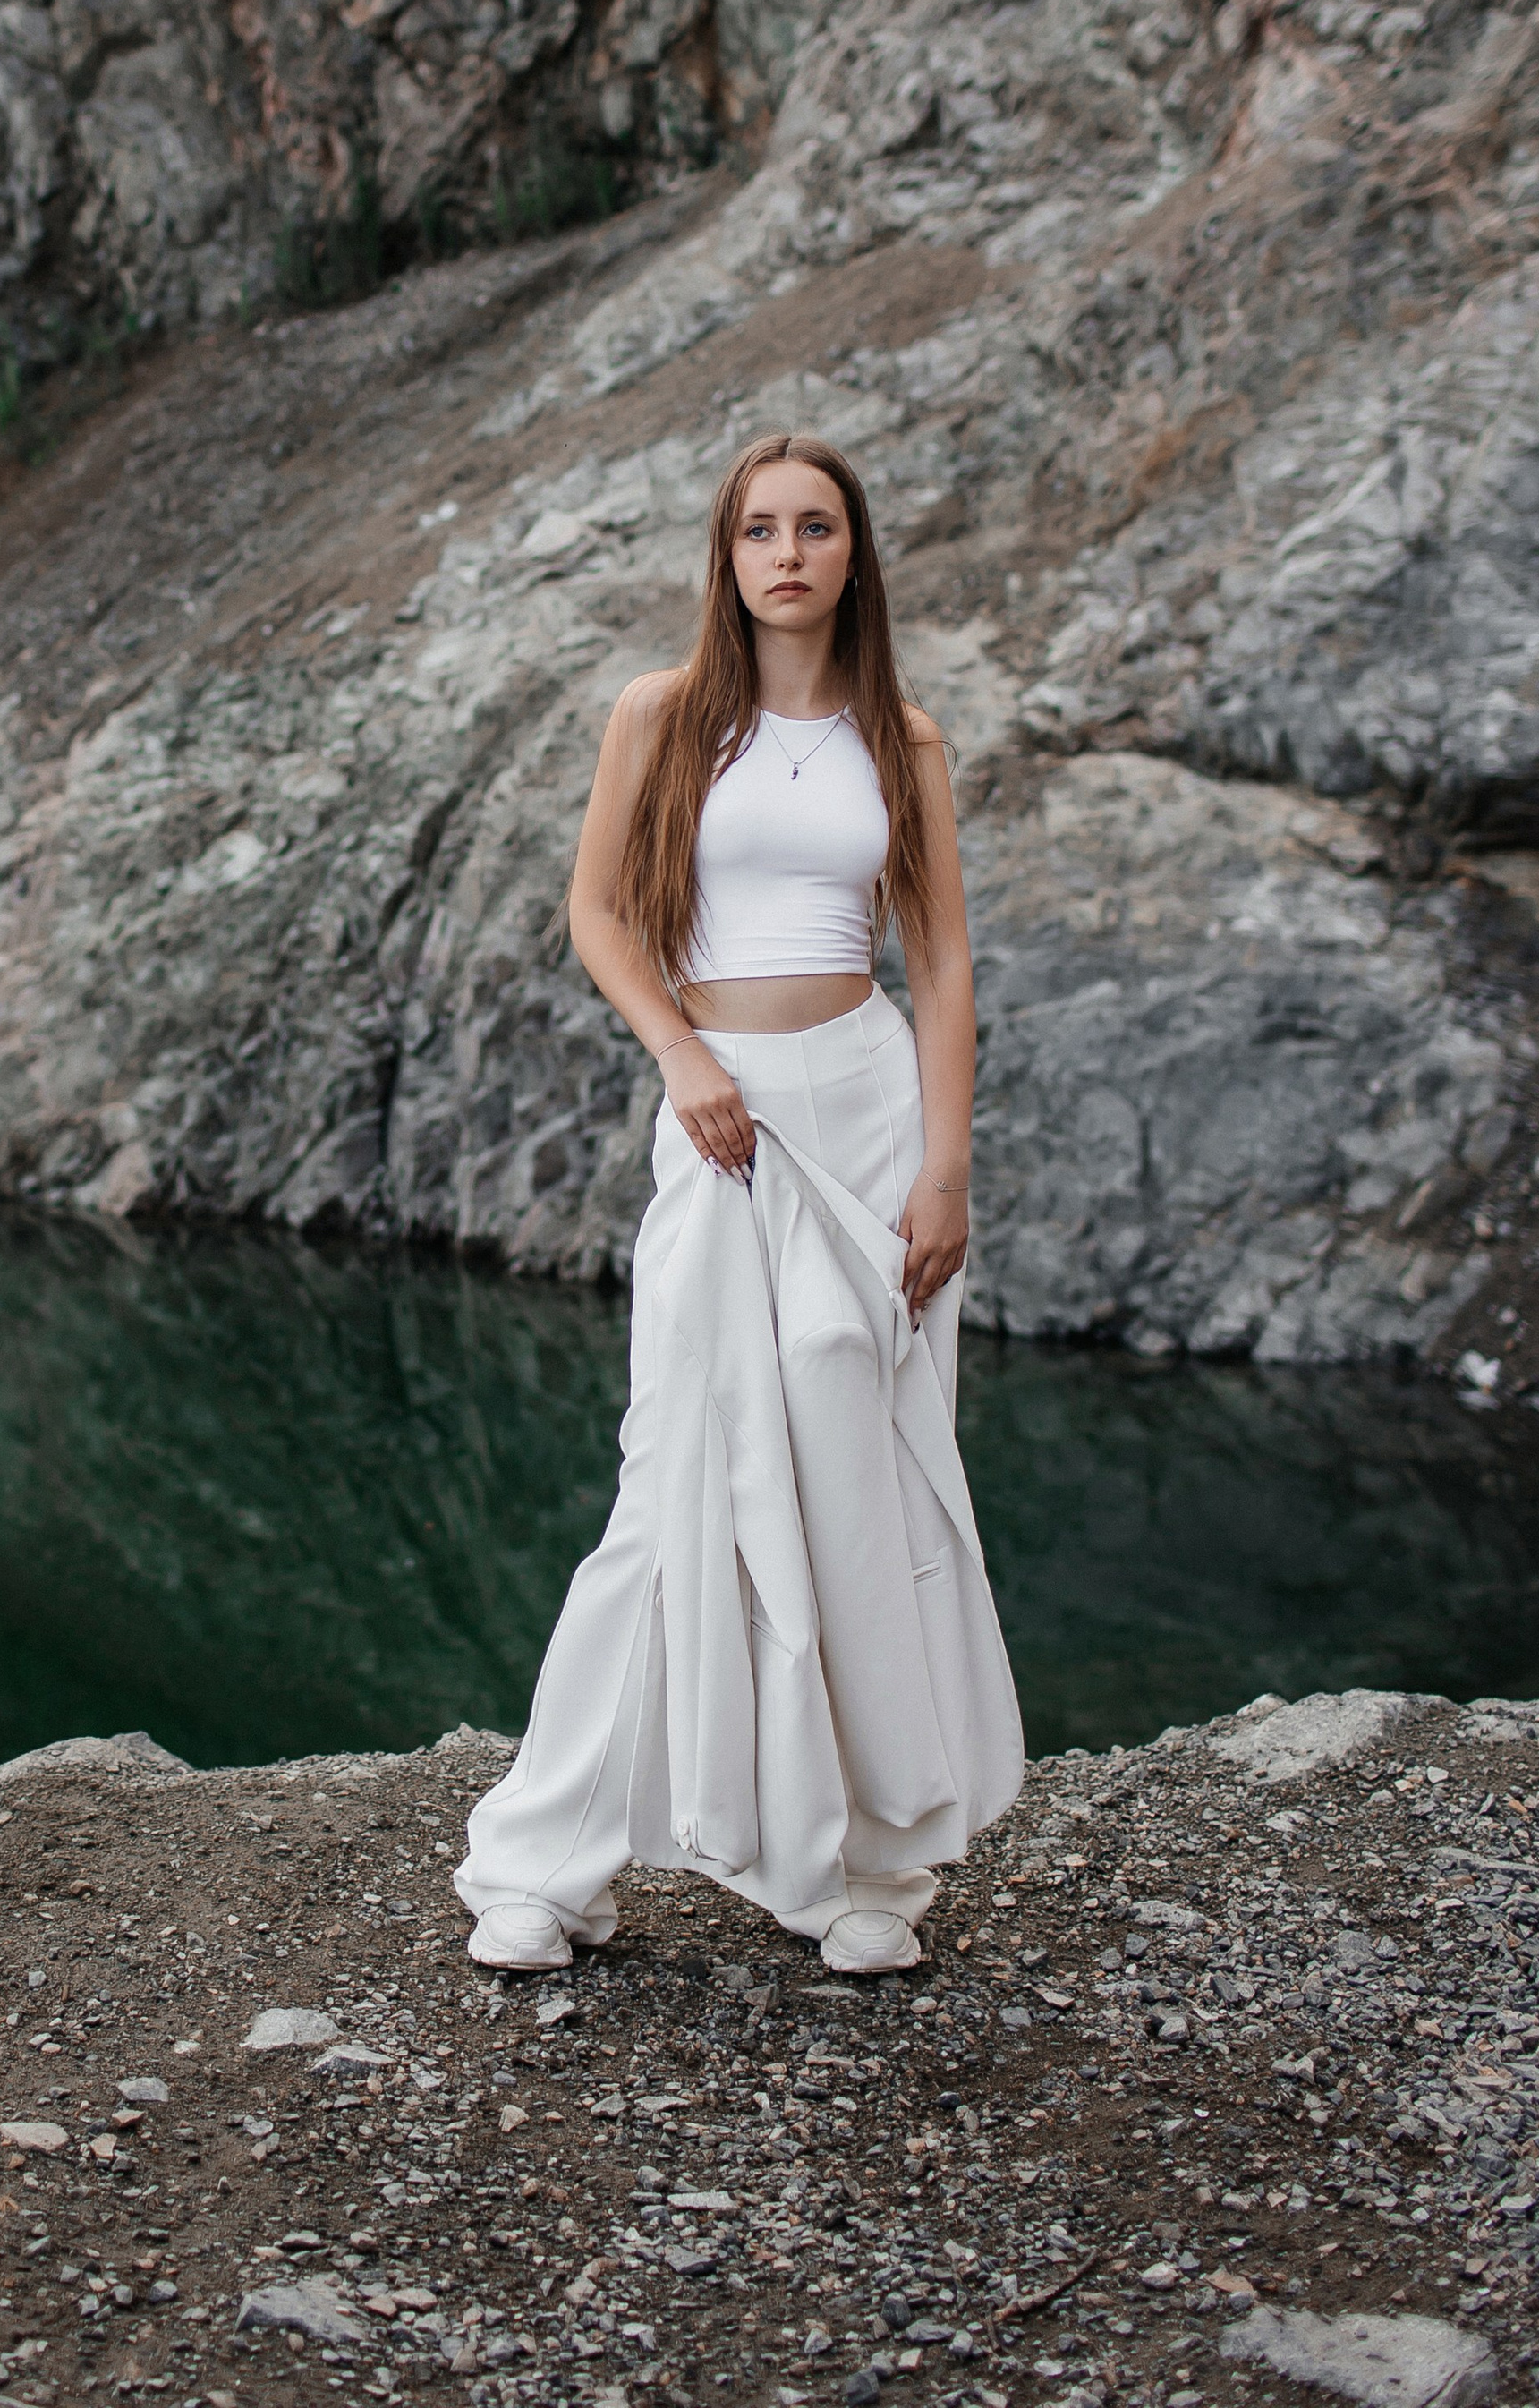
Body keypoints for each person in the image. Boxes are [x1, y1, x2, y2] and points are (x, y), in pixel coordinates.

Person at [453, 431, 1023, 1976]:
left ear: (853, 554)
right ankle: (548, 1865)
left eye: (816, 527)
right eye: (760, 527)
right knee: (680, 1471)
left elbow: (947, 962)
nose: (787, 552)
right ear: (728, 552)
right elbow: (599, 911)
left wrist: (945, 1168)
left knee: (863, 1473)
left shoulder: (903, 736)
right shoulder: (663, 715)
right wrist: (683, 1055)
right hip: (721, 1120)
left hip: (867, 1100)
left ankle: (866, 1874)